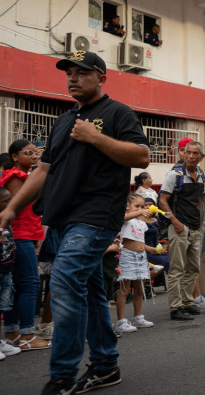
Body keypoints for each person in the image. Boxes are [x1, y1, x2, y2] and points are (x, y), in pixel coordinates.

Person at [0, 50, 149, 393]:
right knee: (92, 291)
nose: (72, 78)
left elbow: (141, 155)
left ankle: (63, 376)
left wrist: (96, 137)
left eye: (82, 72)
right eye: (69, 72)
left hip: (96, 217)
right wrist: (12, 209)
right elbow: (43, 171)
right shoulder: (64, 120)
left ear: (101, 78)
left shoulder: (117, 113)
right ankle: (106, 366)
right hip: (64, 218)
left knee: (65, 281)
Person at [0, 139, 48, 351]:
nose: (33, 156)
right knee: (30, 284)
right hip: (19, 235)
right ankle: (27, 335)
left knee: (18, 286)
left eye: (35, 153)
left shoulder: (24, 176)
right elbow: (18, 206)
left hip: (25, 235)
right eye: (28, 153)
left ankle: (12, 334)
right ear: (14, 157)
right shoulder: (15, 176)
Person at [159, 140, 205, 321]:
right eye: (189, 153)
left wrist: (202, 221)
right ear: (184, 154)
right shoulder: (175, 175)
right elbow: (162, 201)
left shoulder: (201, 174)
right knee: (177, 269)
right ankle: (175, 307)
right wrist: (175, 222)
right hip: (179, 227)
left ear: (201, 157)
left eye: (196, 154)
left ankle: (187, 303)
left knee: (193, 268)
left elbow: (201, 199)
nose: (192, 156)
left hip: (196, 227)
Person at [115, 194, 157, 334]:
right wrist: (139, 212)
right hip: (128, 255)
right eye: (137, 206)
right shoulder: (126, 218)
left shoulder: (141, 223)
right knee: (125, 289)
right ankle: (121, 321)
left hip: (141, 256)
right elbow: (122, 218)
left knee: (139, 289)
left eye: (142, 206)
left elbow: (140, 243)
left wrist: (151, 250)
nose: (141, 209)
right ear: (127, 206)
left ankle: (138, 317)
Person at [0, 186, 23, 360]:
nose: (10, 203)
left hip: (6, 271)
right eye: (6, 201)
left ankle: (1, 341)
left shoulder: (6, 219)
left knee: (2, 307)